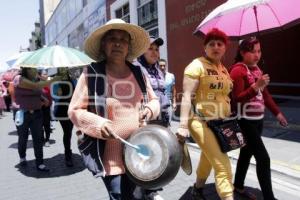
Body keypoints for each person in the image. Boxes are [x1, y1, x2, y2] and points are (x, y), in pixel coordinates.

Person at [68, 19, 160, 200]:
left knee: (139, 196)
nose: (118, 43)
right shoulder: (92, 73)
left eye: (123, 40)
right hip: (111, 159)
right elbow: (75, 110)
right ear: (103, 45)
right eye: (112, 39)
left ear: (128, 47)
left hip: (139, 153)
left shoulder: (138, 72)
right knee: (118, 195)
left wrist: (149, 110)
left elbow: (155, 100)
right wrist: (98, 123)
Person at [177, 28, 234, 200]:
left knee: (208, 157)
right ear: (205, 47)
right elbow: (187, 96)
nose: (216, 47)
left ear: (224, 48)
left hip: (220, 123)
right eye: (211, 44)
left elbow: (224, 94)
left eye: (220, 44)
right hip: (200, 122)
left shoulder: (224, 69)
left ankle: (198, 189)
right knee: (223, 165)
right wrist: (182, 125)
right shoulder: (196, 66)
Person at [229, 37, 288, 200]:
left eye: (259, 51)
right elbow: (237, 98)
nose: (257, 55)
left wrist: (277, 113)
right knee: (263, 158)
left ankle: (238, 186)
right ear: (242, 52)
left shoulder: (257, 70)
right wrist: (256, 86)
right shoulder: (237, 70)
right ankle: (269, 197)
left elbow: (266, 96)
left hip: (258, 120)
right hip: (244, 120)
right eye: (252, 51)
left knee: (246, 153)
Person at [13, 67, 60, 172]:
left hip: (37, 113)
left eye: (35, 69)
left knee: (38, 139)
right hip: (22, 114)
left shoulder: (35, 79)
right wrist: (52, 80)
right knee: (23, 138)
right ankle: (22, 157)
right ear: (26, 70)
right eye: (32, 69)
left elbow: (38, 91)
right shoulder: (18, 78)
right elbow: (34, 86)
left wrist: (43, 99)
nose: (35, 71)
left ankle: (40, 163)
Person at [135, 36, 170, 128]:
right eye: (150, 49)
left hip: (163, 117)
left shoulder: (158, 70)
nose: (154, 52)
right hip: (147, 118)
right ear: (142, 51)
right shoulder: (136, 69)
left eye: (157, 49)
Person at [52, 67, 75, 167]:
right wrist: (58, 92)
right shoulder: (55, 80)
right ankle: (68, 155)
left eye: (65, 67)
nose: (63, 69)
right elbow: (54, 96)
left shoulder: (73, 79)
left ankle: (68, 150)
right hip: (62, 110)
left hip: (72, 109)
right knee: (67, 132)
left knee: (69, 131)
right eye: (61, 68)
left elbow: (77, 94)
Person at [38, 70, 52, 147]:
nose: (46, 75)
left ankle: (47, 140)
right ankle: (41, 139)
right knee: (39, 125)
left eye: (47, 74)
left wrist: (48, 103)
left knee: (47, 125)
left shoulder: (49, 84)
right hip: (38, 108)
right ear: (40, 76)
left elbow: (51, 97)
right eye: (44, 74)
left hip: (47, 108)